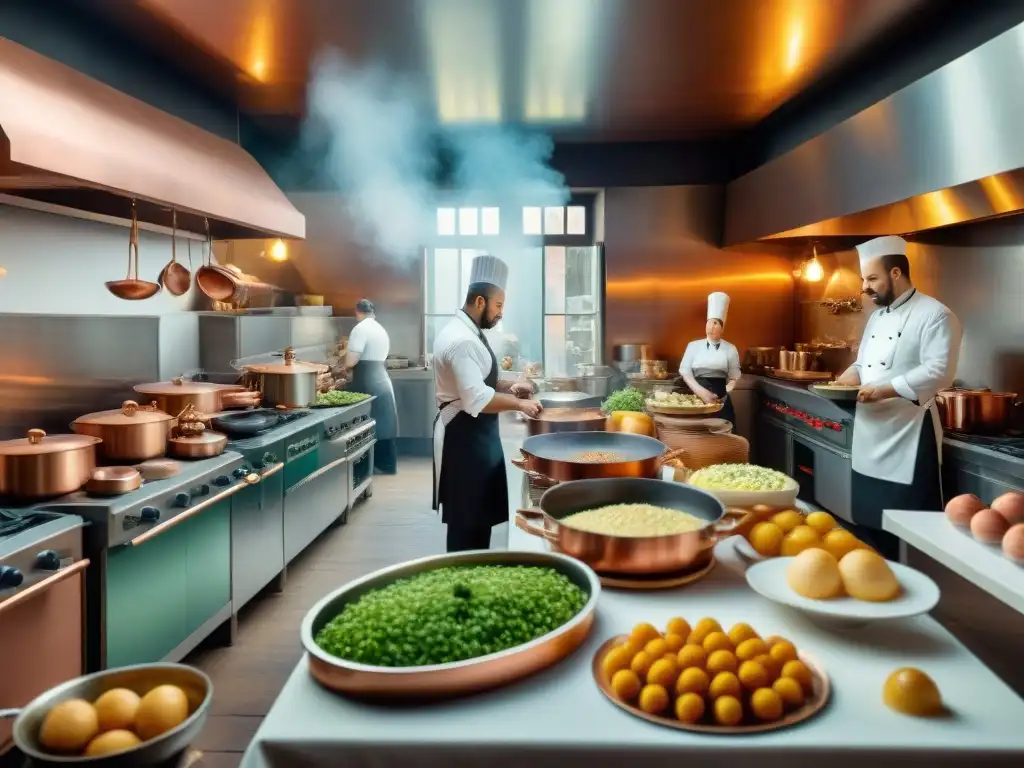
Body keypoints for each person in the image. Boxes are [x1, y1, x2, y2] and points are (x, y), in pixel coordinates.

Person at [835, 235, 962, 557]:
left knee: (908, 527)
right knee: (867, 520)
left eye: (872, 278)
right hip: (870, 433)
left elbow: (938, 372)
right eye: (864, 279)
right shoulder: (877, 317)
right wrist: (846, 378)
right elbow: (863, 363)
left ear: (895, 273)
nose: (865, 287)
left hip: (907, 432)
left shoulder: (935, 314)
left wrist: (885, 389)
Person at [432, 254, 542, 553]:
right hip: (466, 439)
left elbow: (478, 381)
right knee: (467, 523)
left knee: (476, 519)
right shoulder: (462, 340)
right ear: (480, 302)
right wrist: (521, 406)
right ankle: (461, 583)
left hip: (476, 438)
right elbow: (476, 398)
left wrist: (510, 385)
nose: (501, 313)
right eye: (499, 305)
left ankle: (474, 573)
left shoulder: (468, 331)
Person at [344, 299, 399, 474]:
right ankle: (387, 465)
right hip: (381, 379)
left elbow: (352, 360)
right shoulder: (379, 328)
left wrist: (344, 367)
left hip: (367, 382)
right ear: (373, 312)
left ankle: (363, 469)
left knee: (365, 425)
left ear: (357, 312)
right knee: (384, 422)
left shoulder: (360, 329)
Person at [679, 292, 741, 425]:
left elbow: (733, 377)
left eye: (715, 323)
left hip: (721, 403)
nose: (711, 327)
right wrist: (701, 392)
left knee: (724, 438)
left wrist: (724, 395)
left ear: (722, 328)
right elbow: (685, 372)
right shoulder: (693, 346)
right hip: (695, 400)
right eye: (708, 323)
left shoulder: (730, 348)